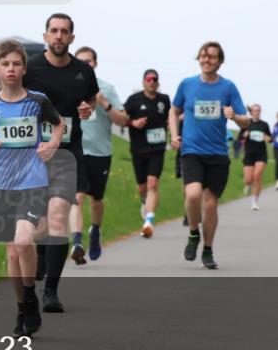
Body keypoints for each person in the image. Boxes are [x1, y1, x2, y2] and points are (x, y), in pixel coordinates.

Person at [0, 40, 63, 337]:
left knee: (24, 242)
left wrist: (52, 144)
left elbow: (59, 124)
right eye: (5, 64)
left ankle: (29, 297)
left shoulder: (38, 101)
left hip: (33, 182)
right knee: (12, 255)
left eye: (16, 64)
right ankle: (22, 306)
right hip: (1, 187)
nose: (11, 69)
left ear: (24, 68)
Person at [22, 14, 99, 312]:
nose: (58, 36)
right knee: (40, 221)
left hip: (68, 153)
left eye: (64, 32)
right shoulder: (30, 67)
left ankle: (51, 292)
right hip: (33, 153)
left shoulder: (82, 71)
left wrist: (86, 109)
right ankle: (41, 254)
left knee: (57, 217)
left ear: (71, 38)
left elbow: (91, 100)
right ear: (45, 36)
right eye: (53, 31)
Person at [169, 41, 249, 270]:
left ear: (220, 61)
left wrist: (234, 116)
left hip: (217, 153)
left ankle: (208, 249)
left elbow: (246, 120)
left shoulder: (228, 88)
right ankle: (194, 234)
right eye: (203, 56)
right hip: (191, 151)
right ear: (199, 59)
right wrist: (174, 134)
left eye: (212, 57)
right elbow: (174, 111)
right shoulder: (187, 85)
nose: (207, 60)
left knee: (211, 205)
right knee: (193, 195)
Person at [74, 47, 127, 261]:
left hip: (100, 152)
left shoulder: (106, 88)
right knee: (76, 197)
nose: (86, 65)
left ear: (95, 64)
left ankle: (95, 231)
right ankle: (76, 242)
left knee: (96, 200)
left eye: (89, 61)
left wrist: (104, 103)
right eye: (81, 61)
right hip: (76, 150)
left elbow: (123, 121)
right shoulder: (69, 86)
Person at [123, 69, 171, 237]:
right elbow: (122, 119)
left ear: (158, 82)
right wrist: (133, 122)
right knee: (142, 187)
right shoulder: (134, 100)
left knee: (152, 184)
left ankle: (149, 220)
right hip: (138, 149)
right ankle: (144, 203)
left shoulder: (164, 100)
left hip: (157, 149)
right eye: (149, 79)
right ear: (143, 82)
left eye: (155, 79)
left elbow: (170, 118)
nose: (152, 82)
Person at [241, 104, 271, 211]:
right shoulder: (246, 123)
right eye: (254, 110)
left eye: (258, 110)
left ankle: (254, 201)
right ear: (251, 112)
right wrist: (244, 135)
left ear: (260, 112)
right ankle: (248, 185)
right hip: (249, 154)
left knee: (257, 176)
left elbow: (270, 139)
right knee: (248, 179)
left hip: (261, 154)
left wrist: (266, 138)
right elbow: (239, 139)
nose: (256, 112)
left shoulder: (264, 125)